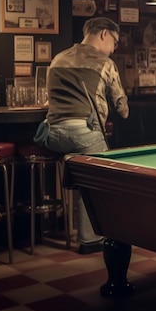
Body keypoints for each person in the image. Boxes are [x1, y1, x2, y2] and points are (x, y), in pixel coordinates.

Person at [43, 17, 129, 254]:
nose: (113, 48)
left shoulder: (58, 58)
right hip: (82, 135)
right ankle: (90, 239)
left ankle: (74, 176)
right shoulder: (106, 63)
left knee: (81, 160)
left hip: (51, 135)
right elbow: (122, 110)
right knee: (97, 175)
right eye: (114, 41)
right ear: (103, 34)